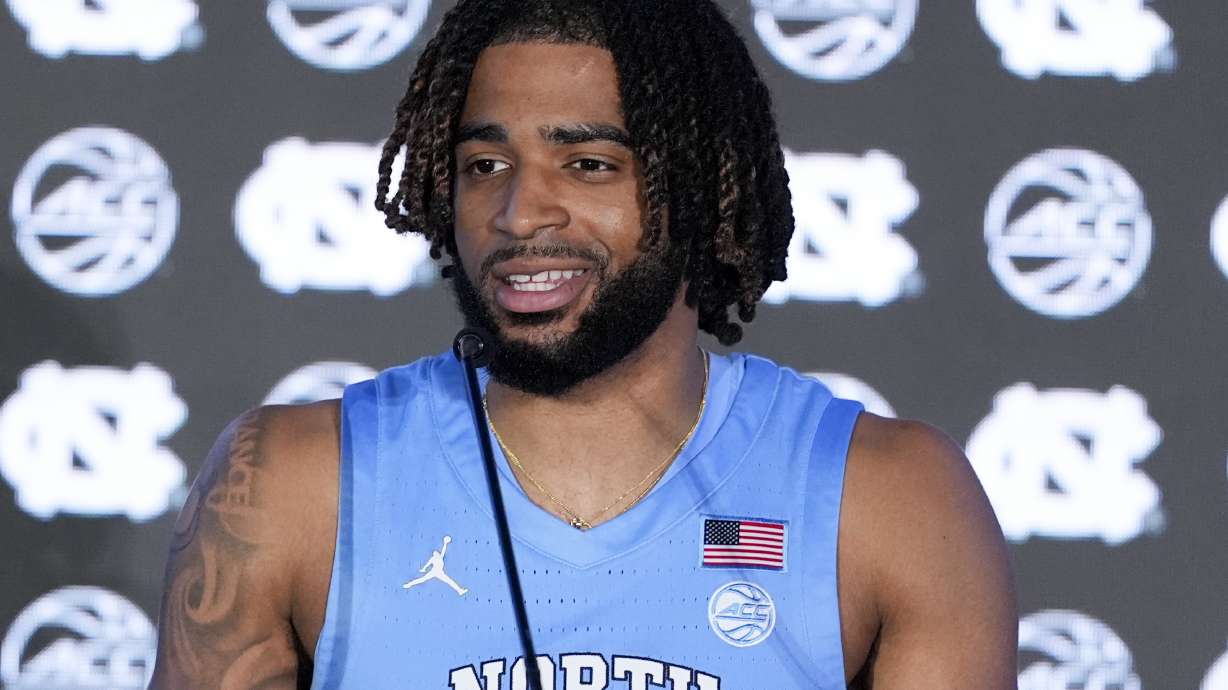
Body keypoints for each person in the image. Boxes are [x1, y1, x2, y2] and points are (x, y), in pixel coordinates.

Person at [149, 0, 1017, 688]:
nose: (519, 213)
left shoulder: (891, 498)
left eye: (589, 164)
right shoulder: (293, 483)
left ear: (704, 188)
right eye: (486, 166)